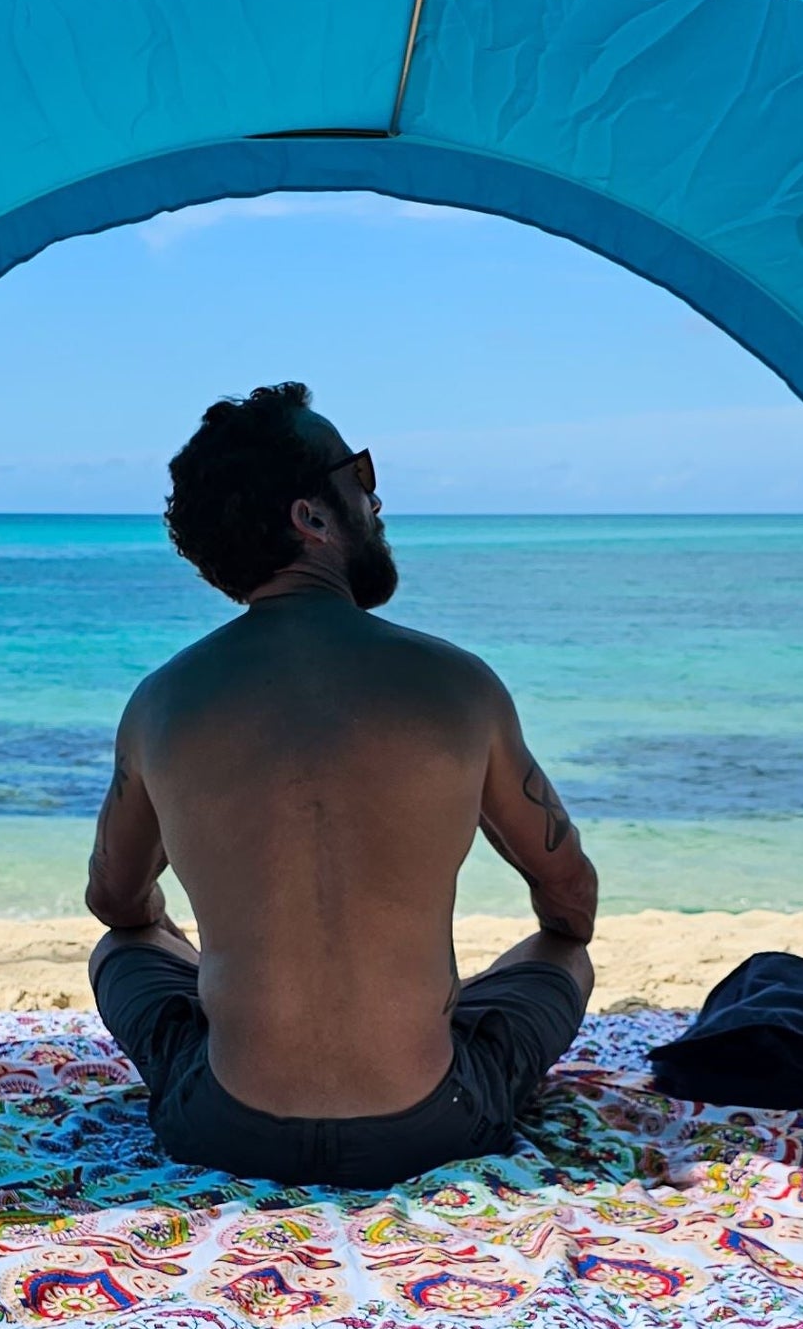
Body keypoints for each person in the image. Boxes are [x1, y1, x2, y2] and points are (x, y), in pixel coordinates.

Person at [85, 381, 598, 1189]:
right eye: (358, 474)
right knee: (563, 956)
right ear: (312, 518)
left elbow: (116, 904)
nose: (375, 496)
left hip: (223, 1129)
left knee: (124, 949)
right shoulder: (458, 685)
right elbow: (570, 902)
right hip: (431, 1126)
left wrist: (190, 941)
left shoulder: (162, 701)